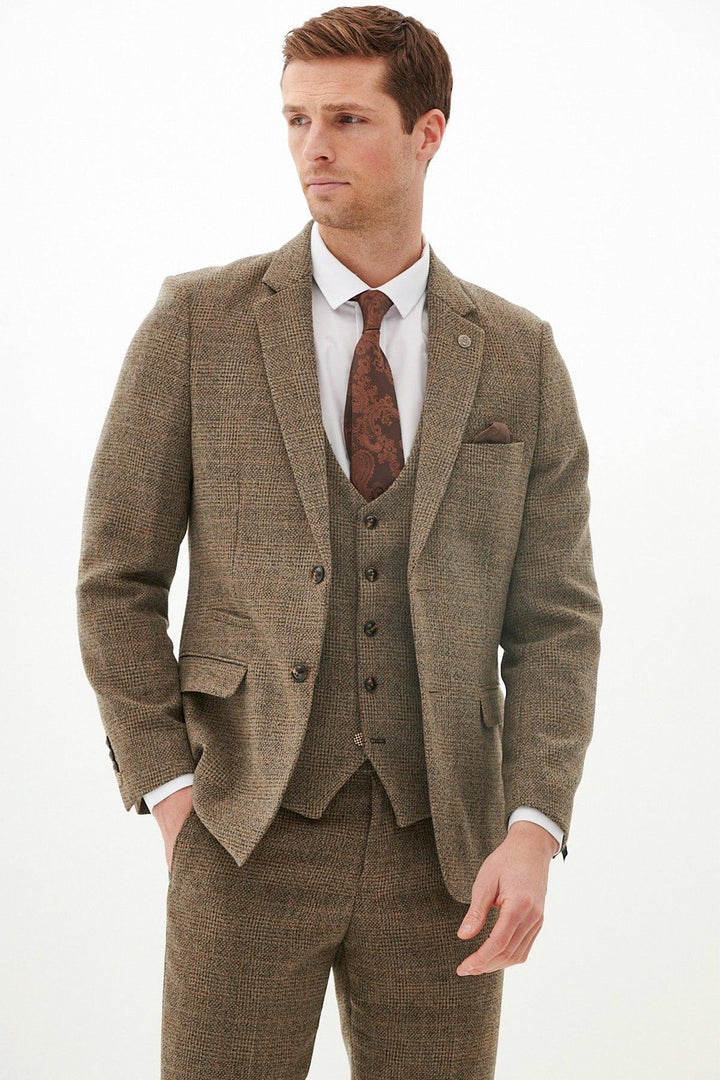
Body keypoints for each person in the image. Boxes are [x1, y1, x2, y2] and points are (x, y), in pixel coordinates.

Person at [76, 6, 602, 1078]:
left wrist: (534, 828)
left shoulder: (518, 355)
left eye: (350, 119)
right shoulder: (197, 324)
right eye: (297, 120)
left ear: (429, 133)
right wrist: (174, 795)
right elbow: (115, 580)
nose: (314, 148)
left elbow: (557, 622)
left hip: (447, 848)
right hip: (245, 826)